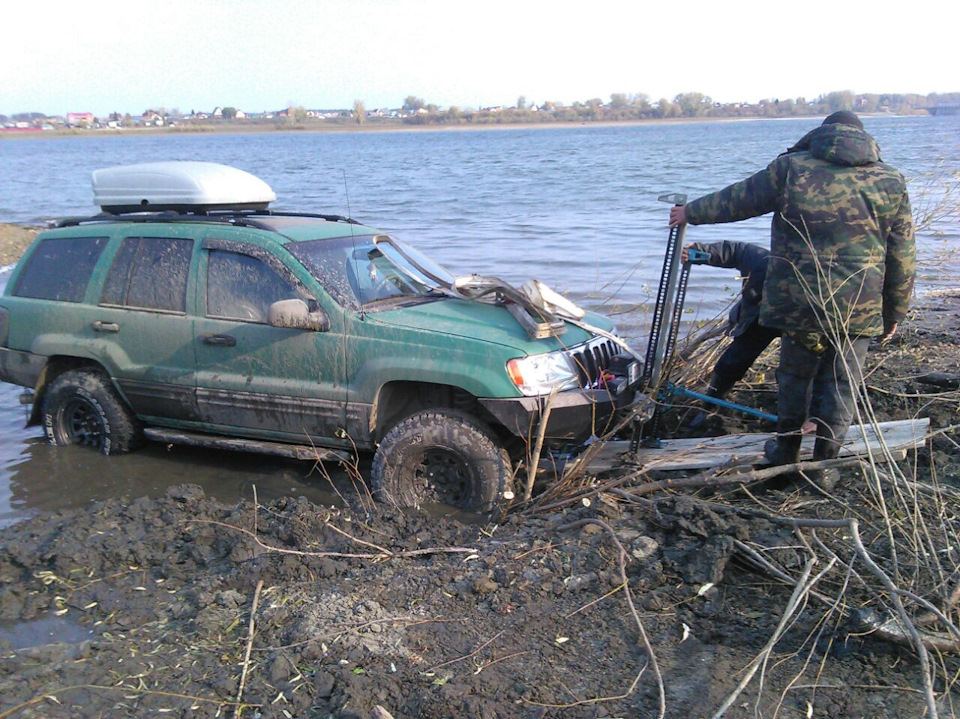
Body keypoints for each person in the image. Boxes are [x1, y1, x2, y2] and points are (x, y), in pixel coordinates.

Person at [669, 111, 916, 488]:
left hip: (799, 301)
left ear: (820, 134)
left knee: (794, 380)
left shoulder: (791, 169)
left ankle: (786, 455)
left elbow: (739, 199)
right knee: (842, 384)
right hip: (857, 304)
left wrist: (690, 212)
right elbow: (902, 254)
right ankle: (824, 467)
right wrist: (895, 309)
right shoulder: (891, 180)